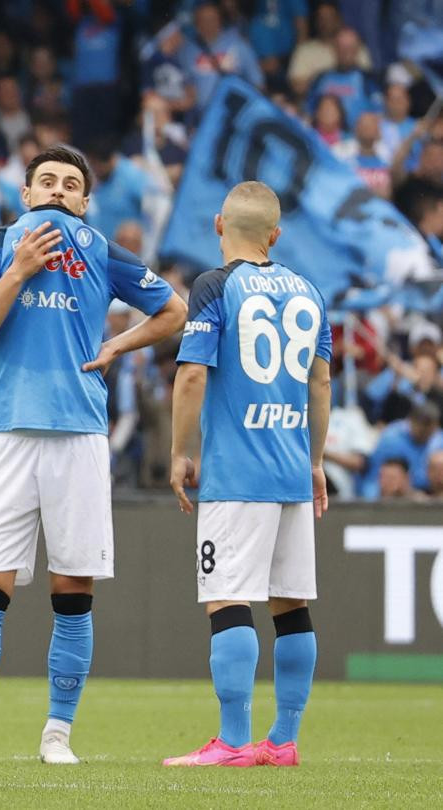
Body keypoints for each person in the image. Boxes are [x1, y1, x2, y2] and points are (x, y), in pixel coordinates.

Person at [0, 145, 185, 767]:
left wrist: (118, 343)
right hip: (8, 433)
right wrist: (17, 269)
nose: (60, 191)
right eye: (48, 182)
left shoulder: (98, 249)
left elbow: (172, 309)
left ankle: (57, 736)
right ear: (27, 194)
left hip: (80, 435)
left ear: (85, 202)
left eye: (71, 184)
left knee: (73, 590)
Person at [165, 181, 332, 767]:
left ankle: (233, 741)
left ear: (218, 225)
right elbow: (320, 382)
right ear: (276, 235)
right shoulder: (310, 291)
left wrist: (181, 451)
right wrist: (315, 462)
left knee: (227, 599)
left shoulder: (215, 286)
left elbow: (191, 376)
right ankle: (283, 740)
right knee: (292, 605)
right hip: (291, 471)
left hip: (238, 475)